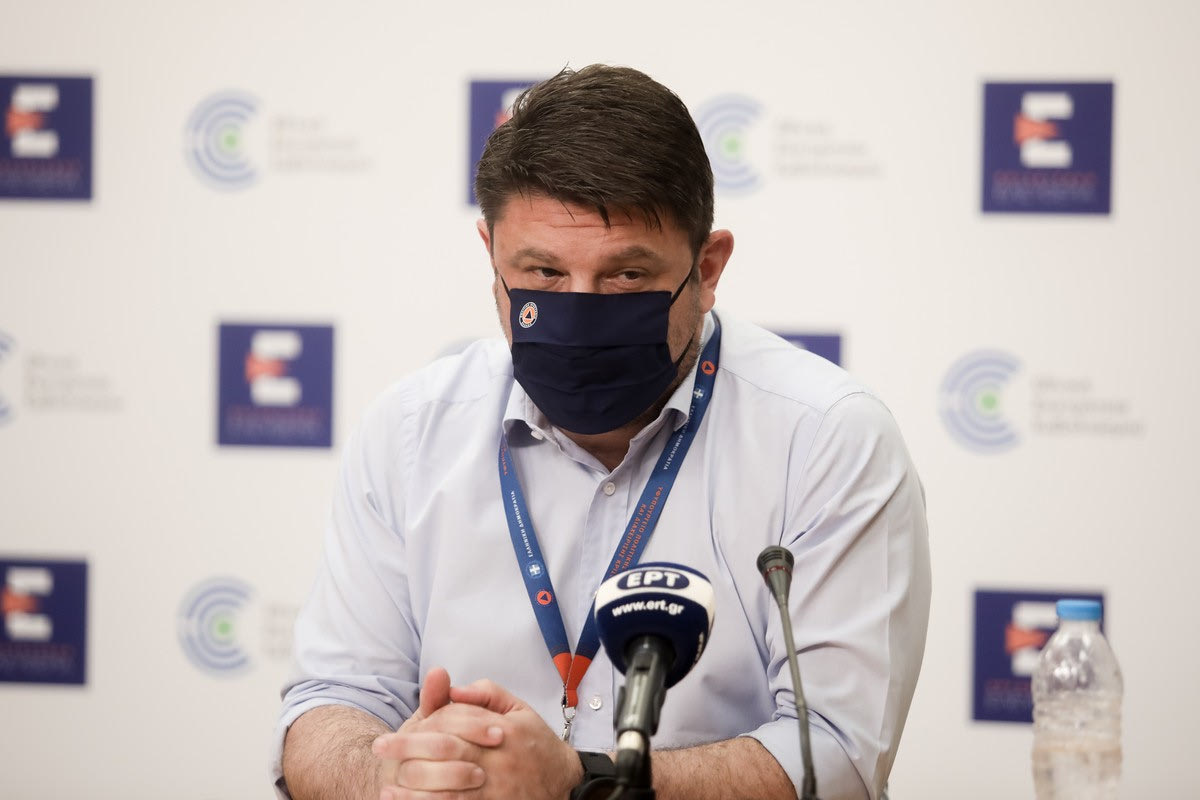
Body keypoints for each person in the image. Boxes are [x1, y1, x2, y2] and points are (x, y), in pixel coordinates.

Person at [274, 64, 931, 800]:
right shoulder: (408, 432)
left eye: (626, 277)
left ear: (708, 268)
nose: (580, 314)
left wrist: (578, 783)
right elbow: (328, 705)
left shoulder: (826, 440)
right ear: (491, 256)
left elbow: (836, 757)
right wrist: (393, 777)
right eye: (543, 272)